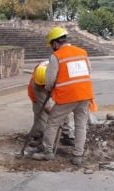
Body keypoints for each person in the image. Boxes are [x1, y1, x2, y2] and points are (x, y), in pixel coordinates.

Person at [32, 26, 95, 166]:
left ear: (55, 43)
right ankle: (78, 155)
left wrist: (49, 89)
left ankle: (47, 151)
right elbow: (89, 70)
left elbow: (50, 79)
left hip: (68, 96)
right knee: (80, 125)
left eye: (51, 45)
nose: (52, 48)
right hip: (85, 94)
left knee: (53, 122)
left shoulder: (57, 56)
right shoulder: (82, 52)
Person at [25, 61, 76, 153]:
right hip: (37, 92)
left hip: (59, 87)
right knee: (40, 112)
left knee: (64, 111)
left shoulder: (60, 75)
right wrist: (56, 115)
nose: (44, 87)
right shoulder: (36, 83)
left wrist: (61, 115)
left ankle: (67, 135)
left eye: (45, 86)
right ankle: (39, 136)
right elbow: (47, 107)